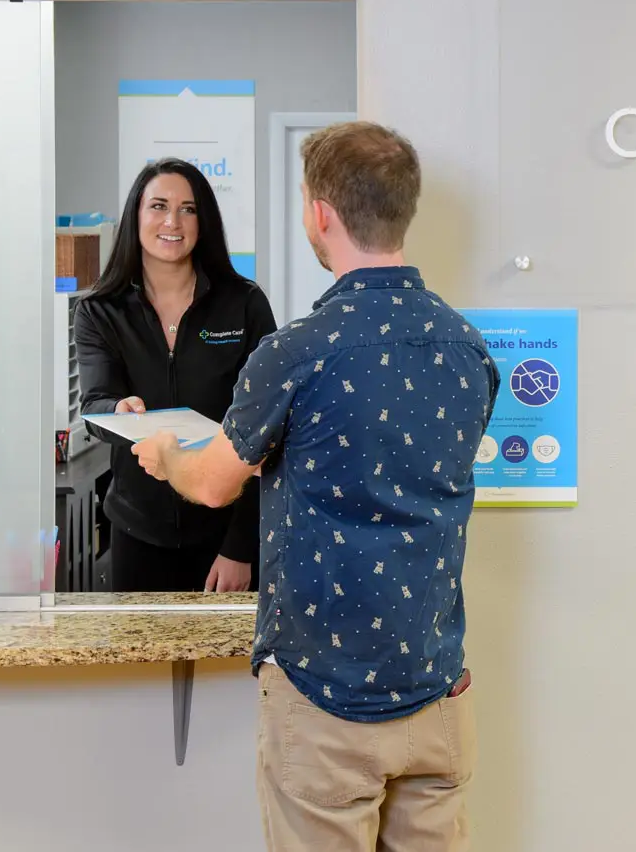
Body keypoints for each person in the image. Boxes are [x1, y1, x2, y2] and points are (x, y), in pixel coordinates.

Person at [131, 122, 499, 851]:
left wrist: (166, 454)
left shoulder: (298, 352)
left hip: (327, 702)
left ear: (320, 213)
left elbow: (211, 486)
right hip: (438, 693)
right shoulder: (467, 348)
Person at [74, 157, 277, 592]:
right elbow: (93, 405)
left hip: (225, 529)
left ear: (204, 221)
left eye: (188, 209)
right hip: (137, 528)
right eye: (159, 206)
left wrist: (240, 546)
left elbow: (269, 429)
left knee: (226, 661)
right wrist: (118, 411)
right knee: (141, 659)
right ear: (136, 215)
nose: (173, 221)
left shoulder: (244, 303)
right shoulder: (99, 311)